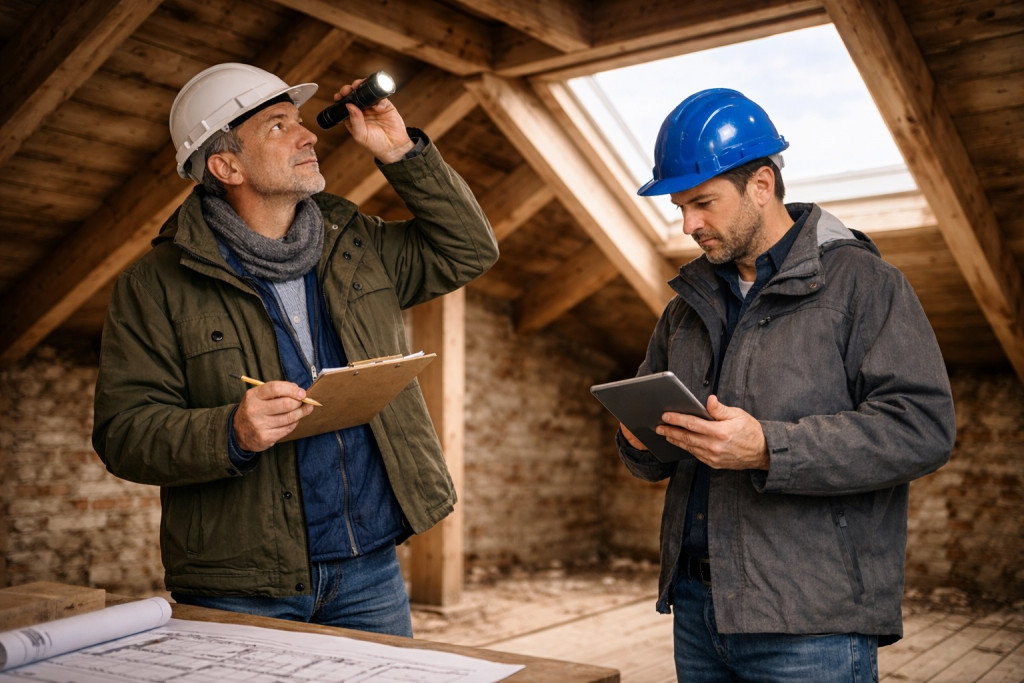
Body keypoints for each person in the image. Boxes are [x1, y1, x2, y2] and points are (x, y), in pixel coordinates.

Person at [92, 63, 498, 637]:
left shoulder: (353, 243)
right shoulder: (156, 283)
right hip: (241, 584)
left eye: (302, 121)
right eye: (280, 126)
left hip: (369, 567)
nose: (308, 136)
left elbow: (468, 250)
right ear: (225, 165)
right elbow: (123, 434)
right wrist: (230, 431)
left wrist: (400, 151)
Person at [616, 88, 955, 681]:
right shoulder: (686, 306)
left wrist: (770, 448)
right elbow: (661, 460)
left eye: (703, 203)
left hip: (811, 622)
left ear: (763, 184)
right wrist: (640, 441)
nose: (690, 224)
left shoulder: (864, 286)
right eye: (680, 207)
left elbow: (922, 428)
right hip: (696, 610)